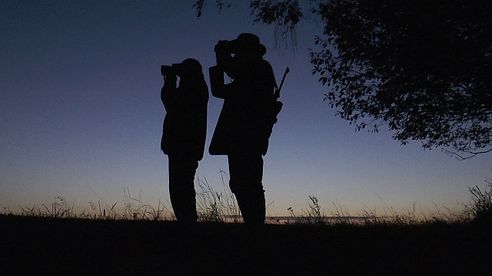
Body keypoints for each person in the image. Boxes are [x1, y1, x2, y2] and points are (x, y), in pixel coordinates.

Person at [209, 33, 277, 225]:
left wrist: (222, 57)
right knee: (241, 182)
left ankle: (254, 227)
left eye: (239, 51)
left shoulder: (258, 69)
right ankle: (253, 225)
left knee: (248, 182)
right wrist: (222, 58)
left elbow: (231, 74)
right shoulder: (253, 71)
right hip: (241, 136)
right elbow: (220, 90)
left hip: (249, 136)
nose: (236, 55)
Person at [161, 58, 208, 223]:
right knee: (182, 187)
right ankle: (187, 223)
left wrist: (170, 80)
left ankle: (187, 225)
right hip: (186, 146)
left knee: (180, 188)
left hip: (183, 146)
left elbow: (170, 101)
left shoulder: (192, 88)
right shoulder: (197, 88)